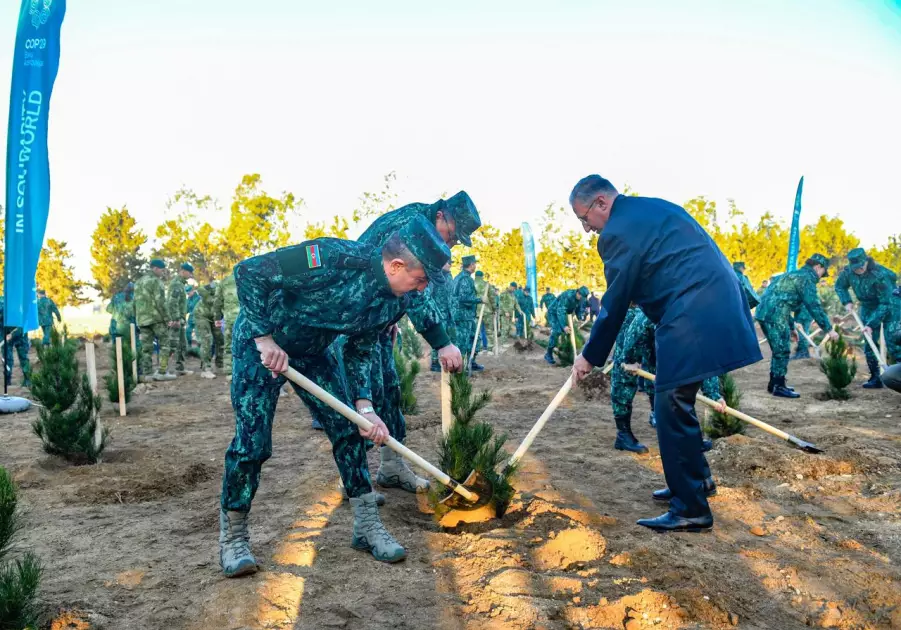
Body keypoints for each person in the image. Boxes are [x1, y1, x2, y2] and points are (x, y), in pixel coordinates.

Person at [218, 216, 451, 576]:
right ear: (396, 265)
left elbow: (360, 350)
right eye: (420, 280)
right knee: (252, 444)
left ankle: (367, 526)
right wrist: (264, 337)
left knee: (348, 429)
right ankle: (234, 537)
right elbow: (249, 272)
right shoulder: (330, 257)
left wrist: (365, 407)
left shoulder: (393, 301)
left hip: (313, 353)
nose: (421, 290)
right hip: (261, 349)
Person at [568, 174, 762, 533]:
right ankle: (695, 482)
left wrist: (589, 356)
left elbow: (614, 302)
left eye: (584, 219)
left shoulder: (618, 233)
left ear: (600, 204)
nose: (586, 229)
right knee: (678, 400)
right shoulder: (650, 209)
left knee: (670, 404)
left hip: (693, 312)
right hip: (711, 304)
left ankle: (690, 508)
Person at [353, 192, 479, 486]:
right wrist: (442, 341)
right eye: (451, 234)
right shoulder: (412, 227)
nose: (450, 244)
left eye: (456, 240)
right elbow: (413, 290)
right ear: (440, 215)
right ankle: (354, 480)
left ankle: (392, 467)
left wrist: (391, 317)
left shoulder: (424, 223)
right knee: (362, 398)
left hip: (377, 319)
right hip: (355, 323)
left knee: (389, 389)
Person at [612, 306, 725, 458]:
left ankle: (689, 438)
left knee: (675, 384)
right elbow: (639, 327)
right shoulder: (667, 308)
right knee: (624, 381)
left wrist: (713, 394)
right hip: (634, 331)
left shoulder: (702, 323)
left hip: (662, 340)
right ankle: (623, 435)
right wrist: (630, 359)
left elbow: (704, 360)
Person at [755, 254, 837, 398]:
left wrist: (792, 327)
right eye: (823, 272)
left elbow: (781, 300)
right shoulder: (806, 279)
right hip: (776, 315)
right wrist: (829, 329)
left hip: (764, 313)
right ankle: (779, 386)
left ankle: (774, 383)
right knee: (782, 351)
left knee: (778, 349)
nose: (821, 276)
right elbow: (813, 305)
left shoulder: (792, 274)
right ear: (818, 267)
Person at [835, 248, 901, 388]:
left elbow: (885, 303)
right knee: (869, 341)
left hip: (891, 305)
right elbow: (839, 286)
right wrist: (846, 301)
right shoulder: (848, 272)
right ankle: (875, 378)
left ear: (866, 262)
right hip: (868, 305)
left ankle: (898, 376)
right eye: (855, 268)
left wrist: (871, 324)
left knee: (894, 341)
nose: (858, 270)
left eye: (860, 267)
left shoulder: (880, 275)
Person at [135, 260, 176, 382]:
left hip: (142, 319)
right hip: (156, 319)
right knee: (165, 344)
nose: (163, 273)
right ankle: (162, 372)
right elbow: (161, 302)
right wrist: (167, 318)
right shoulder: (156, 282)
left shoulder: (138, 282)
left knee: (146, 347)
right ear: (155, 269)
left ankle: (147, 374)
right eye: (162, 270)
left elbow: (135, 302)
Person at [544, 286, 589, 365]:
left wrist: (580, 318)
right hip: (553, 313)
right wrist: (564, 326)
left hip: (564, 314)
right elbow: (560, 311)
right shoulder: (567, 296)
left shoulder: (580, 298)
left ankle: (565, 350)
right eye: (581, 297)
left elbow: (578, 309)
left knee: (569, 331)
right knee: (557, 331)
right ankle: (548, 354)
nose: (582, 299)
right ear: (578, 293)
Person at [453, 255, 484, 371]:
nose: (475, 266)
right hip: (463, 316)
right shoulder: (465, 279)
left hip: (466, 315)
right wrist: (480, 300)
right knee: (463, 341)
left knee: (474, 338)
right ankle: (461, 367)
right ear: (471, 265)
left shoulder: (460, 277)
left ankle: (471, 362)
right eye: (474, 264)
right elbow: (464, 298)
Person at [164, 263, 194, 376]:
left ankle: (180, 368)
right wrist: (175, 319)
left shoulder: (181, 284)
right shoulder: (176, 284)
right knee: (172, 345)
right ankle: (163, 369)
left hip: (180, 320)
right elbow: (172, 302)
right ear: (182, 271)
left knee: (182, 344)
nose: (190, 275)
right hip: (175, 320)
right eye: (189, 272)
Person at [195, 281, 224, 378]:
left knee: (220, 339)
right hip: (202, 315)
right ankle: (206, 369)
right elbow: (200, 289)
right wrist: (210, 299)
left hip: (215, 317)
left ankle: (219, 364)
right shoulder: (216, 285)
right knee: (207, 340)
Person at [0, 299, 31, 388]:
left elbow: (24, 325)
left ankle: (28, 379)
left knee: (23, 358)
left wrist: (12, 335)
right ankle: (7, 379)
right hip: (5, 335)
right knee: (6, 358)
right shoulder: (2, 306)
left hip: (21, 335)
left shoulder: (18, 306)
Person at [214, 272, 239, 378]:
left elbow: (217, 301)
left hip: (229, 319)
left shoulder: (224, 281)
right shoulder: (248, 278)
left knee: (229, 346)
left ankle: (229, 372)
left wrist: (217, 318)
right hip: (245, 319)